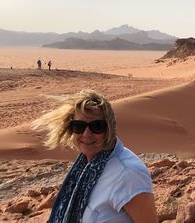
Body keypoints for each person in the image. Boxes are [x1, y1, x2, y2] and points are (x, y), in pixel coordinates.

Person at [32, 90, 158, 223]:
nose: (86, 134)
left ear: (109, 128)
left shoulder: (128, 174)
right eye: (79, 126)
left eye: (96, 126)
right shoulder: (85, 165)